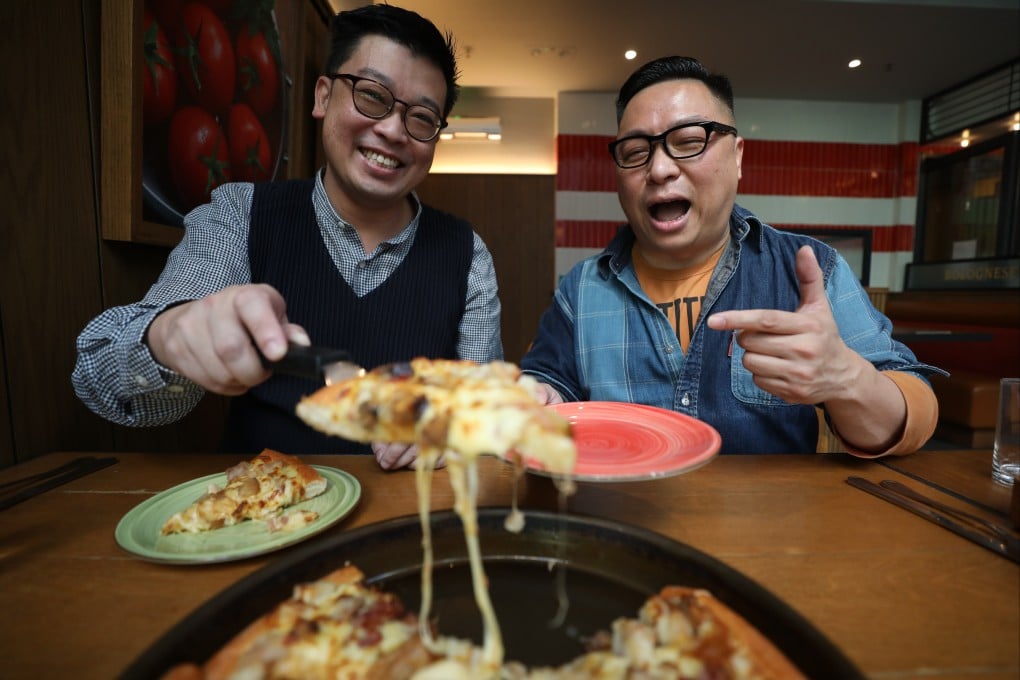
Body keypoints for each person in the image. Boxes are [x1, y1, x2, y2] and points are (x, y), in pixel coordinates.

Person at [72, 4, 502, 469]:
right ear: (322, 96)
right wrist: (169, 337)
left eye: (421, 118)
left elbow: (484, 412)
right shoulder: (242, 215)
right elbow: (100, 379)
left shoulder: (467, 254)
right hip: (254, 512)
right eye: (373, 95)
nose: (394, 130)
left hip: (403, 519)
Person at [520, 55, 942, 456]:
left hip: (769, 529)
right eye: (634, 153)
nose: (660, 169)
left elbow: (915, 410)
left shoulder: (809, 267)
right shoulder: (582, 287)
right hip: (625, 520)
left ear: (738, 157)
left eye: (688, 141)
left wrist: (845, 379)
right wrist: (536, 397)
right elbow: (550, 384)